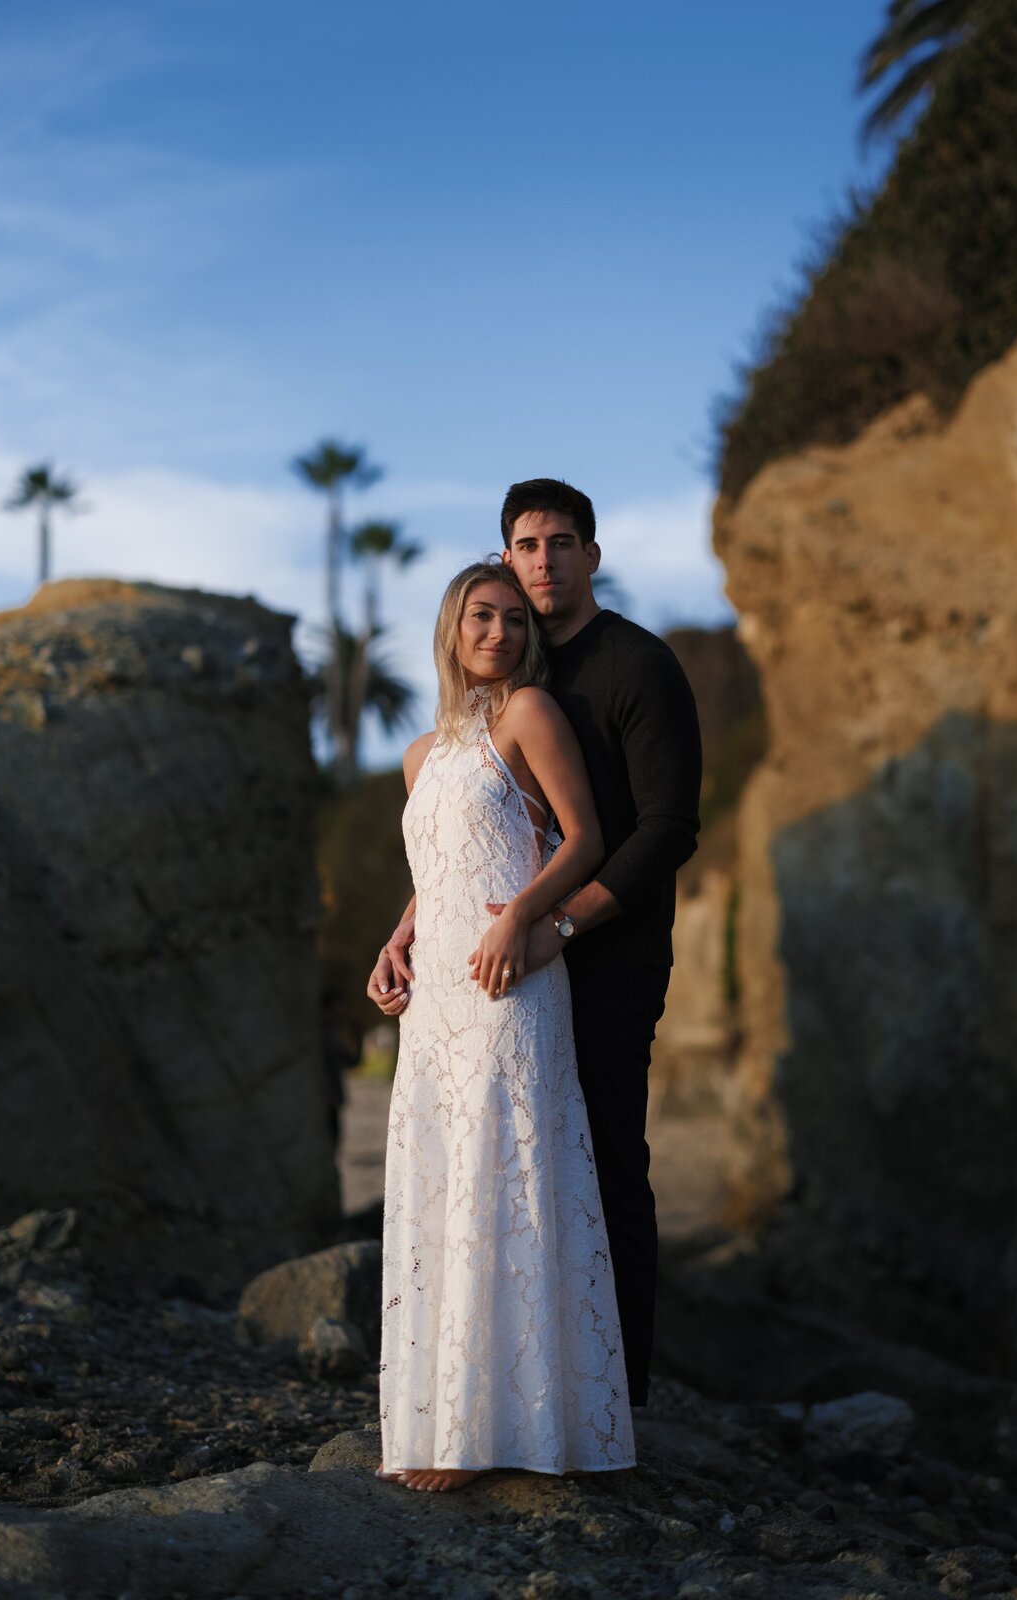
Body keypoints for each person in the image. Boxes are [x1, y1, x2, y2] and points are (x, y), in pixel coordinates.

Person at [370, 479, 702, 1411]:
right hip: (493, 966)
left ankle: (612, 1397)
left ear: (591, 555)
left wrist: (553, 923)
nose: (545, 561)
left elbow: (666, 827)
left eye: (562, 543)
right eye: (527, 545)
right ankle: (508, 1386)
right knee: (510, 1168)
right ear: (504, 557)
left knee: (602, 1164)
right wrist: (403, 936)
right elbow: (469, 843)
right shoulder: (499, 697)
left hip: (611, 950)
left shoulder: (636, 666)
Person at [370, 559, 635, 1493]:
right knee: (442, 1176)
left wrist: (522, 919)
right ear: (451, 628)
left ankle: (496, 1430)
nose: (499, 634)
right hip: (435, 993)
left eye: (514, 620)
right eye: (481, 617)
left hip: (506, 983)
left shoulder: (531, 715)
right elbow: (436, 861)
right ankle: (444, 1414)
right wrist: (394, 943)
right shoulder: (420, 754)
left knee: (504, 1172)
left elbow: (584, 839)